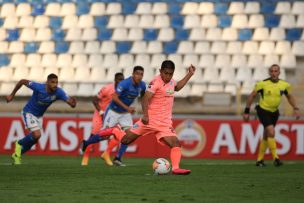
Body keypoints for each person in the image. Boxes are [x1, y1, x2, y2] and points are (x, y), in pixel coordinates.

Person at [94, 60, 195, 175]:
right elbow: (145, 99)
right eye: (165, 73)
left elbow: (177, 87)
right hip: (149, 120)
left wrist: (189, 74)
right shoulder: (155, 83)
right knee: (126, 140)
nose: (168, 76)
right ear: (160, 71)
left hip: (164, 123)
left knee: (176, 144)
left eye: (170, 74)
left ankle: (175, 168)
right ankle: (115, 130)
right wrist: (146, 115)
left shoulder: (171, 82)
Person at [81, 66, 146, 166]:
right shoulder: (125, 83)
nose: (139, 76)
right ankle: (87, 143)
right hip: (113, 111)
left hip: (125, 114)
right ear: (133, 74)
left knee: (130, 135)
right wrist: (127, 108)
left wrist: (146, 111)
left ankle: (118, 158)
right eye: (137, 73)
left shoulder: (142, 85)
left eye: (141, 74)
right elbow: (114, 98)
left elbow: (143, 97)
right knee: (105, 136)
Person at [6, 74, 77, 165]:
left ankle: (18, 154)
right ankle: (19, 144)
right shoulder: (38, 87)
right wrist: (12, 95)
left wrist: (73, 104)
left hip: (39, 117)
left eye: (56, 82)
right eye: (52, 82)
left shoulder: (59, 92)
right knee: (36, 134)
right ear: (47, 82)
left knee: (35, 139)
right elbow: (22, 81)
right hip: (28, 112)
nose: (55, 84)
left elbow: (70, 103)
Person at [243, 64, 300, 167]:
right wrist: (246, 111)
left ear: (279, 72)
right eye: (272, 71)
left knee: (266, 134)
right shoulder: (262, 84)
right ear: (269, 73)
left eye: (276, 71)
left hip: (274, 112)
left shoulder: (284, 85)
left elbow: (289, 97)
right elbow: (252, 96)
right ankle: (276, 158)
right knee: (271, 131)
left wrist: (296, 108)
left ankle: (259, 160)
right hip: (262, 110)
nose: (274, 73)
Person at [81, 72, 124, 166]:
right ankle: (85, 157)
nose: (121, 82)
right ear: (115, 80)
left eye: (122, 80)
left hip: (112, 115)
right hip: (100, 114)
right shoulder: (107, 89)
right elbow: (94, 100)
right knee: (95, 135)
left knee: (118, 134)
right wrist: (101, 112)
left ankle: (106, 154)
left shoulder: (124, 91)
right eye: (119, 79)